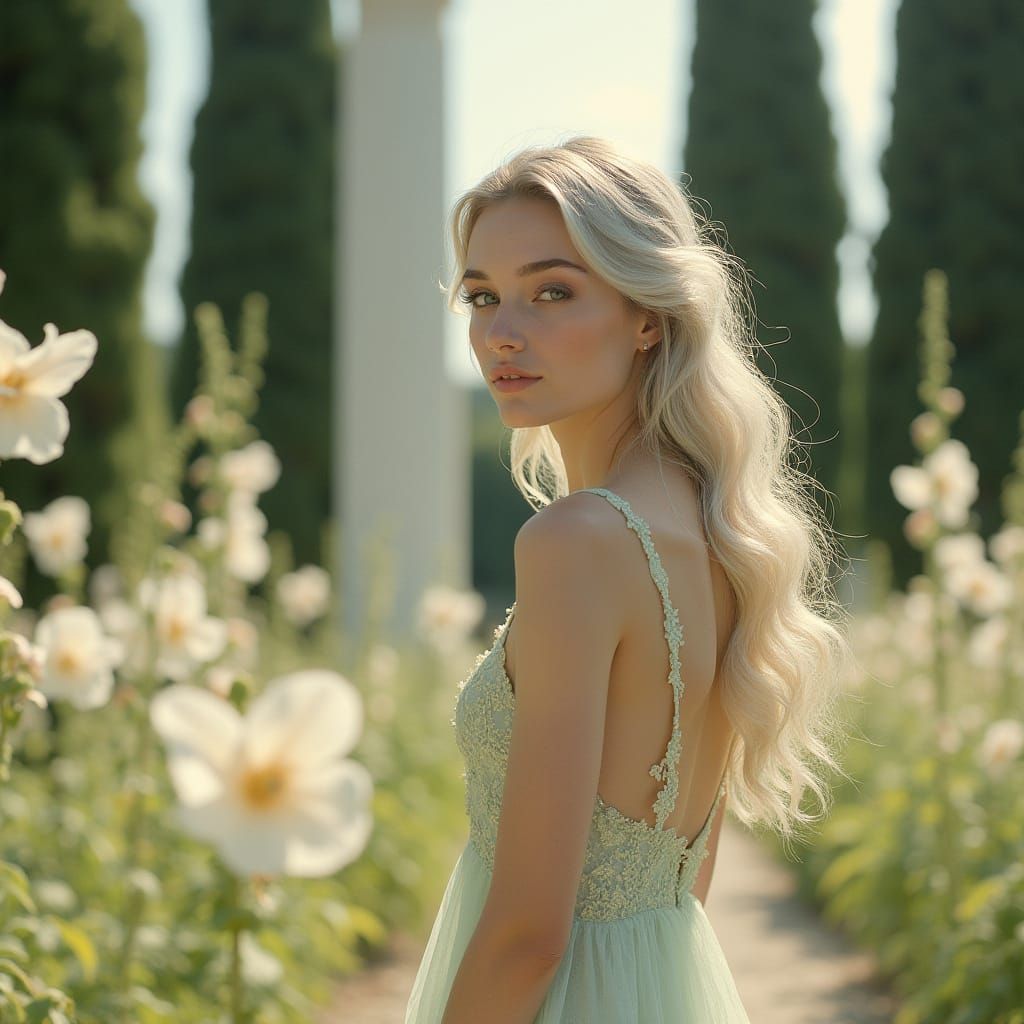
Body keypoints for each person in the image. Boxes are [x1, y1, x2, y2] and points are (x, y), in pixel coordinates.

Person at [404, 135, 853, 1023]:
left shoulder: (577, 541)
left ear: (648, 316)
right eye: (484, 296)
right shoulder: (721, 531)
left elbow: (531, 932)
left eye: (553, 291)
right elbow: (691, 872)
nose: (504, 332)